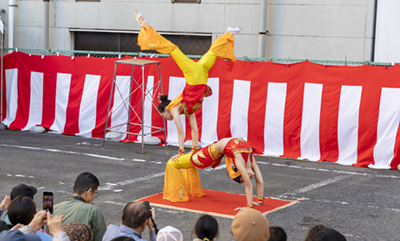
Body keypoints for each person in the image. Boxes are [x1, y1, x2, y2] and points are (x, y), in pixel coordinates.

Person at [134, 10, 241, 158]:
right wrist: (195, 150)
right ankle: (229, 33)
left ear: (165, 110)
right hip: (202, 74)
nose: (166, 119)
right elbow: (195, 130)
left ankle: (144, 25)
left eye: (163, 116)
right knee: (213, 52)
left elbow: (180, 131)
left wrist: (181, 153)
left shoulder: (175, 109)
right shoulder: (187, 108)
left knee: (173, 49)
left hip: (193, 75)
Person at [163, 137, 264, 210]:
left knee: (192, 159)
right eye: (245, 178)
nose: (248, 178)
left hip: (217, 149)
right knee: (173, 163)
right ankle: (188, 156)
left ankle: (192, 155)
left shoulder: (249, 156)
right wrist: (249, 207)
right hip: (209, 154)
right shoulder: (240, 160)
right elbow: (249, 185)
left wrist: (259, 201)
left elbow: (260, 181)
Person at [48, 172, 106, 241]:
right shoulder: (93, 211)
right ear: (89, 192)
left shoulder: (53, 209)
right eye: (95, 193)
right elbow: (102, 238)